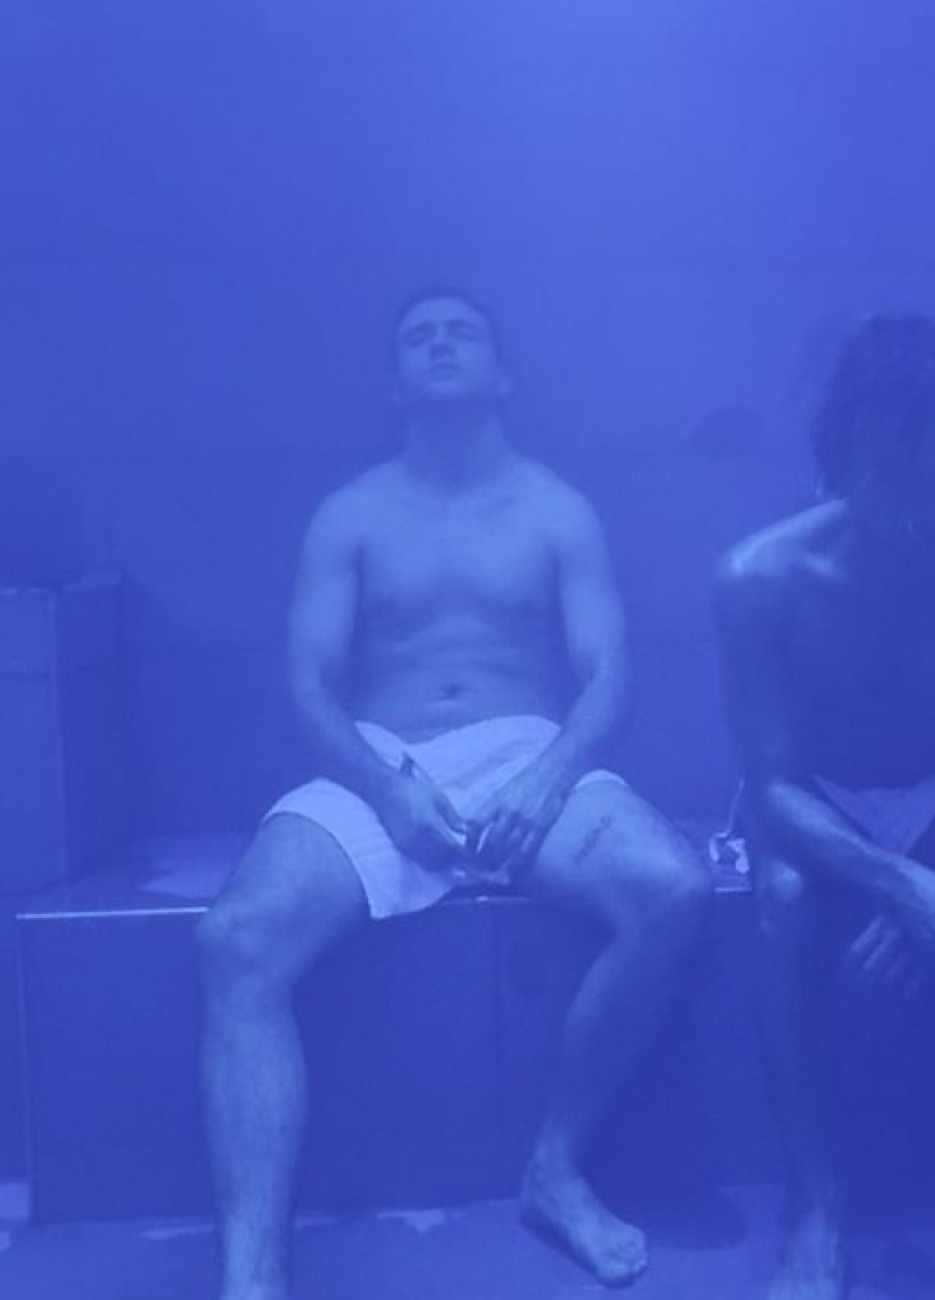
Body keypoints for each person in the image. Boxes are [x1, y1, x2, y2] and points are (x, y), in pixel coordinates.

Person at [197, 288, 711, 1299]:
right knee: (236, 939)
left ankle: (556, 1167)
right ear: (395, 385)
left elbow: (609, 675)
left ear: (502, 374)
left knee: (671, 889)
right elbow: (308, 687)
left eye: (460, 332)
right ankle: (253, 1279)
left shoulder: (557, 510)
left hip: (527, 748)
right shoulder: (351, 514)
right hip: (384, 756)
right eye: (417, 337)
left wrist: (548, 777)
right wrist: (385, 787)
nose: (438, 344)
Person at [713, 313, 935, 1300]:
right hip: (814, 790)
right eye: (896, 481)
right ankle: (815, 1206)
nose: (928, 512)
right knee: (784, 903)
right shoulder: (761, 579)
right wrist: (906, 890)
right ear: (839, 461)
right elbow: (772, 786)